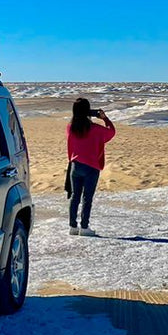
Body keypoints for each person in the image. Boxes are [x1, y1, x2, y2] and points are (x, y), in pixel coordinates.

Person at [66, 98, 116, 236]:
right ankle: (84, 227)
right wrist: (105, 118)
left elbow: (70, 146)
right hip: (91, 166)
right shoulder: (95, 129)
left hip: (75, 164)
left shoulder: (70, 127)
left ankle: (72, 226)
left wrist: (71, 160)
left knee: (75, 196)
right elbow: (111, 132)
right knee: (87, 197)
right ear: (88, 111)